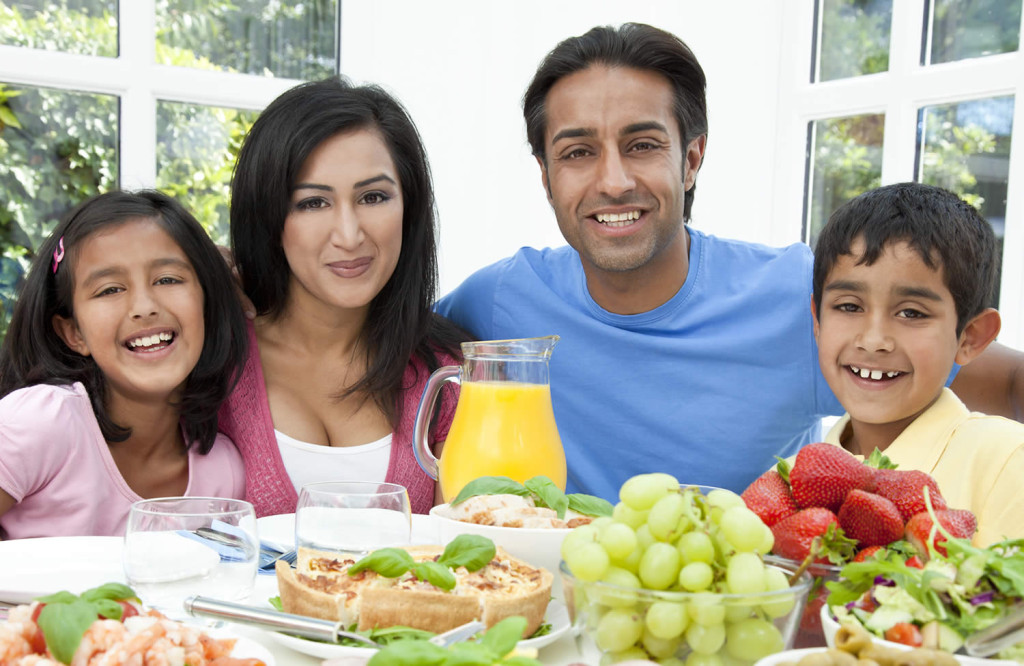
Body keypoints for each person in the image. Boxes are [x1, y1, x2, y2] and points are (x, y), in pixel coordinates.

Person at [435, 22, 1024, 501]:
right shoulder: (498, 300)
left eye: (643, 145)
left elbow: (999, 378)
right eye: (578, 152)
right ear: (546, 176)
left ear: (691, 159)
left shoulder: (798, 297)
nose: (613, 181)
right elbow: (366, 350)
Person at [221, 77, 468, 518]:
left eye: (373, 197)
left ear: (409, 208)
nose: (350, 235)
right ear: (268, 216)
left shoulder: (447, 378)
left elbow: (464, 561)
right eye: (313, 203)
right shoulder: (211, 357)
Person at [0, 190, 249, 539]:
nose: (144, 306)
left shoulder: (222, 472)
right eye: (110, 289)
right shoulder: (39, 423)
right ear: (74, 333)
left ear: (207, 305)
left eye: (167, 280)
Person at [812, 182, 1023, 545]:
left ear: (970, 337)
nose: (874, 340)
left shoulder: (1007, 461)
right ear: (817, 321)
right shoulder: (796, 482)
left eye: (911, 312)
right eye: (849, 306)